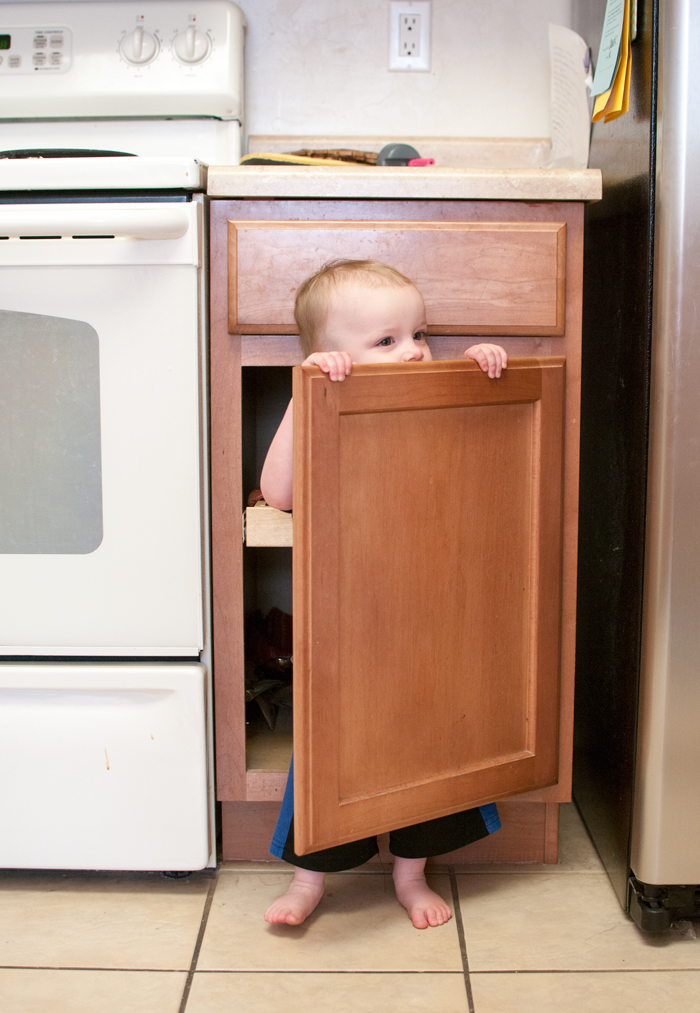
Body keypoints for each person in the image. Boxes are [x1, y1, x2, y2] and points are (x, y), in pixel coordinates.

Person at [260, 259, 508, 930]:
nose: (416, 350)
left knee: (428, 741)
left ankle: (411, 874)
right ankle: (308, 878)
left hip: (429, 612)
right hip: (349, 622)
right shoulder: (326, 407)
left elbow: (496, 438)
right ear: (329, 356)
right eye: (387, 341)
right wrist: (304, 387)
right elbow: (278, 491)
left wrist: (477, 365)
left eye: (419, 333)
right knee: (329, 750)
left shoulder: (431, 395)